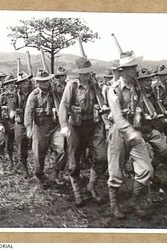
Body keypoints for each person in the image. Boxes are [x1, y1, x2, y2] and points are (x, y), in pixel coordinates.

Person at [106, 51, 154, 218]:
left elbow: (138, 106)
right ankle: (114, 205)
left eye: (135, 67)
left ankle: (135, 200)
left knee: (146, 169)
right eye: (132, 68)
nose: (135, 70)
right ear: (124, 70)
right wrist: (130, 131)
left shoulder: (136, 87)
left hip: (135, 130)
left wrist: (142, 116)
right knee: (116, 171)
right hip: (119, 133)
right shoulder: (113, 90)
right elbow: (117, 116)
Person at [59, 57, 107, 207]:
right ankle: (77, 192)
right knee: (74, 163)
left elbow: (101, 102)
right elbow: (63, 106)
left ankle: (91, 186)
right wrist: (64, 125)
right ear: (78, 73)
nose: (86, 75)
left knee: (101, 157)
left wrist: (103, 109)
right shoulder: (71, 86)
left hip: (93, 125)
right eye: (83, 72)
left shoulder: (95, 85)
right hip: (76, 127)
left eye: (88, 72)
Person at [24, 69, 66, 188]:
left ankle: (55, 173)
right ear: (37, 82)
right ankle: (39, 175)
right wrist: (29, 128)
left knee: (61, 149)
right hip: (40, 127)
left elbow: (64, 103)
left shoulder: (56, 92)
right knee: (38, 154)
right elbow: (28, 113)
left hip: (55, 125)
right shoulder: (34, 96)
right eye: (42, 81)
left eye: (47, 81)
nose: (45, 83)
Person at [137, 68, 167, 170]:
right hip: (137, 130)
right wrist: (143, 116)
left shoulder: (152, 93)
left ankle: (152, 167)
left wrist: (161, 114)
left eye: (150, 80)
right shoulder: (135, 94)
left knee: (164, 150)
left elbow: (158, 108)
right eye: (147, 81)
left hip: (150, 129)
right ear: (140, 82)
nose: (149, 83)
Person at [10, 72, 33, 177]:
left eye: (27, 81)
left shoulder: (34, 93)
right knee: (21, 146)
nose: (26, 83)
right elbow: (11, 110)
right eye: (23, 82)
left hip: (33, 122)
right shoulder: (15, 96)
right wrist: (13, 113)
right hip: (20, 123)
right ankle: (24, 168)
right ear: (19, 84)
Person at [0, 75, 17, 168]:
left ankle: (21, 161)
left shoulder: (18, 95)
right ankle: (10, 160)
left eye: (12, 83)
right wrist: (0, 124)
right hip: (7, 123)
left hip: (18, 123)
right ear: (5, 86)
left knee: (20, 143)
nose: (11, 86)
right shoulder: (2, 97)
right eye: (9, 84)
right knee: (8, 143)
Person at [153, 64, 167, 150]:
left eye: (166, 75)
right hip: (157, 117)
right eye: (162, 76)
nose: (165, 77)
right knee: (158, 140)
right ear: (157, 77)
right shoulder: (154, 88)